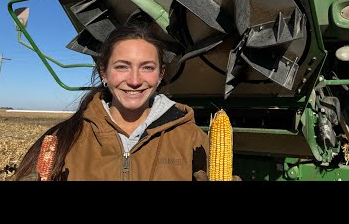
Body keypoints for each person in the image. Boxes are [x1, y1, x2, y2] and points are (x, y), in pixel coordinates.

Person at [13, 21, 210, 181]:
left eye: (147, 68)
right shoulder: (63, 138)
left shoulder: (192, 139)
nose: (134, 81)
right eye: (122, 67)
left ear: (160, 75)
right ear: (104, 73)